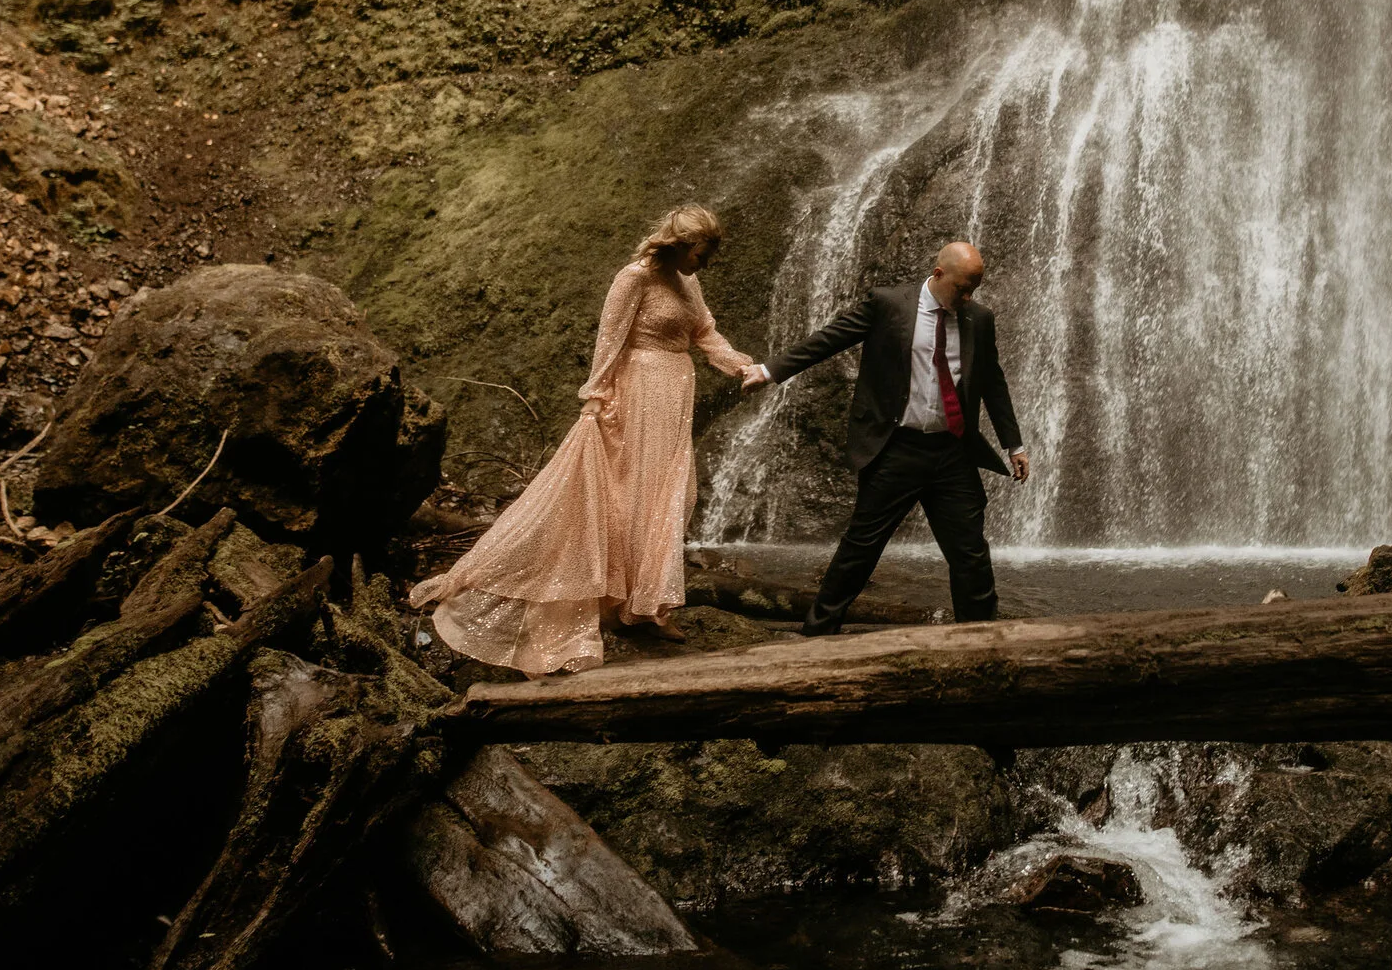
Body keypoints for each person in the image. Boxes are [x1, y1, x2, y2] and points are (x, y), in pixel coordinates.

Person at [410, 205, 758, 675]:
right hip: (635, 389)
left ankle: (647, 604)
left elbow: (705, 333)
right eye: (702, 252)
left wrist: (742, 366)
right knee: (629, 496)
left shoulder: (688, 281)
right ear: (679, 245)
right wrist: (597, 395)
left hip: (675, 391)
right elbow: (609, 338)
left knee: (667, 495)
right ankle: (622, 603)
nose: (706, 263)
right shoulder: (635, 277)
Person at [739, 240, 1028, 634]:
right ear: (939, 274)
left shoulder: (979, 317)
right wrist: (770, 371)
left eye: (974, 288)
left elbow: (994, 384)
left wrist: (1014, 444)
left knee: (971, 553)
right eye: (962, 287)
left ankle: (978, 636)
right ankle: (818, 631)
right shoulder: (890, 304)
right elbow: (831, 338)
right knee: (861, 547)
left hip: (952, 453)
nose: (967, 296)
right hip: (897, 448)